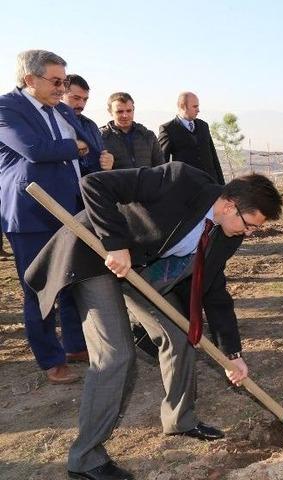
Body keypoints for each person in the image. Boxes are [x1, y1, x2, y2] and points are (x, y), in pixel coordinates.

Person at [25, 162, 282, 480]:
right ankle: (85, 459)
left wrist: (232, 353)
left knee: (182, 334)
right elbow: (94, 184)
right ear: (230, 204)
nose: (249, 233)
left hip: (139, 267)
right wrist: (115, 243)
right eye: (249, 225)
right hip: (95, 254)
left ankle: (180, 419)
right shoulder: (181, 180)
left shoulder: (227, 234)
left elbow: (214, 292)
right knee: (116, 356)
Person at [0, 49, 103, 384]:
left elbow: (88, 141)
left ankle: (74, 345)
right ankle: (50, 359)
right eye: (56, 81)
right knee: (39, 288)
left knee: (73, 279)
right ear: (30, 79)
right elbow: (34, 150)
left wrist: (94, 155)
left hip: (71, 208)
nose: (62, 88)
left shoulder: (59, 110)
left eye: (64, 81)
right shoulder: (6, 108)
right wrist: (77, 149)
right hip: (32, 214)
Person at [158, 91, 225, 184]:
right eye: (195, 106)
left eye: (198, 106)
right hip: (186, 187)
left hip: (211, 185)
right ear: (182, 106)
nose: (198, 110)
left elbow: (214, 158)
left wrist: (222, 187)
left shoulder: (203, 126)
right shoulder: (168, 129)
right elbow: (161, 163)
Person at [63, 74, 114, 173]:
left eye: (85, 99)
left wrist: (108, 161)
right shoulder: (52, 123)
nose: (81, 104)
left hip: (90, 184)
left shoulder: (90, 125)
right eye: (76, 98)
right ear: (61, 95)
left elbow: (101, 156)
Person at [100, 92, 164, 170]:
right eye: (120, 112)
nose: (125, 115)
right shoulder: (101, 138)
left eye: (129, 111)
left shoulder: (148, 136)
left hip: (147, 182)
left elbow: (161, 168)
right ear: (110, 112)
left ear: (133, 110)